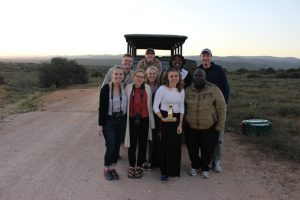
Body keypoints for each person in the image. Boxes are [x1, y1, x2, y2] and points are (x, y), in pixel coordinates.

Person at [185, 68, 227, 179]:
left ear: (205, 77)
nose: (198, 77)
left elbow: (222, 109)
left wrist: (220, 126)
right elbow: (183, 108)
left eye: (201, 76)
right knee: (192, 149)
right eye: (196, 75)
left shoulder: (214, 90)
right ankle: (195, 166)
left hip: (209, 127)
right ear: (193, 77)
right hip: (191, 127)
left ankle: (205, 168)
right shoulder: (187, 90)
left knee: (207, 149)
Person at [198, 48, 230, 172]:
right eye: (203, 56)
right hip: (204, 110)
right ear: (200, 57)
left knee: (218, 135)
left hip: (217, 108)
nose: (205, 58)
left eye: (207, 56)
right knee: (205, 136)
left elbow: (226, 87)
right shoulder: (198, 70)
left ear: (211, 57)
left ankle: (217, 160)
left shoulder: (219, 70)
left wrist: (225, 105)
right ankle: (207, 159)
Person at [153, 68, 185, 183]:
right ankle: (164, 172)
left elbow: (182, 108)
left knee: (175, 145)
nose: (174, 78)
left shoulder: (181, 90)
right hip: (164, 118)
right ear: (167, 77)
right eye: (171, 76)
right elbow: (155, 106)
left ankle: (173, 170)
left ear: (179, 77)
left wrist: (180, 124)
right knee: (165, 145)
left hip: (176, 120)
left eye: (176, 76)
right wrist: (162, 118)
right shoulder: (162, 89)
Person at [98, 66, 128, 181]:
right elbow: (102, 108)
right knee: (111, 146)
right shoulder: (106, 88)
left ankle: (113, 168)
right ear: (112, 75)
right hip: (109, 120)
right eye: (116, 74)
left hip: (121, 120)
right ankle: (106, 169)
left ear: (123, 76)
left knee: (116, 147)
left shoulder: (125, 87)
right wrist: (100, 125)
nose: (118, 76)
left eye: (120, 74)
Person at [124, 69, 155, 178]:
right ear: (134, 76)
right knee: (132, 144)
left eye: (142, 77)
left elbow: (150, 105)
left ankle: (140, 166)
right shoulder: (128, 88)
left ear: (144, 78)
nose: (139, 78)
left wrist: (152, 122)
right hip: (131, 119)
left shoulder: (147, 88)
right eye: (137, 76)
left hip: (144, 119)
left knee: (143, 143)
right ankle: (132, 166)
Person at [142, 66, 161, 170]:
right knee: (144, 139)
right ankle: (143, 160)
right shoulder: (143, 86)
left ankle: (151, 161)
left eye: (154, 73)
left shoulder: (161, 86)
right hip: (145, 115)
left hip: (157, 117)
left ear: (157, 74)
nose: (152, 75)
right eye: (150, 73)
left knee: (153, 139)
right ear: (146, 74)